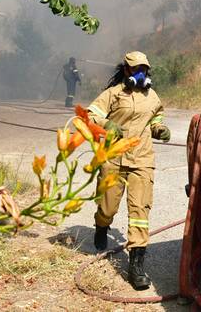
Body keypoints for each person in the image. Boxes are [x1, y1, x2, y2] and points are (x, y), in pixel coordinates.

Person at [85, 51, 171, 290]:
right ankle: (102, 225)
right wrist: (107, 124)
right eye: (135, 69)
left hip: (142, 159)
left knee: (140, 210)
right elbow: (90, 116)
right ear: (126, 70)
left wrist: (159, 128)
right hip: (114, 158)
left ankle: (136, 266)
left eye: (144, 69)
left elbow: (156, 117)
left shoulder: (151, 96)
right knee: (108, 207)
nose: (140, 73)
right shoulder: (113, 94)